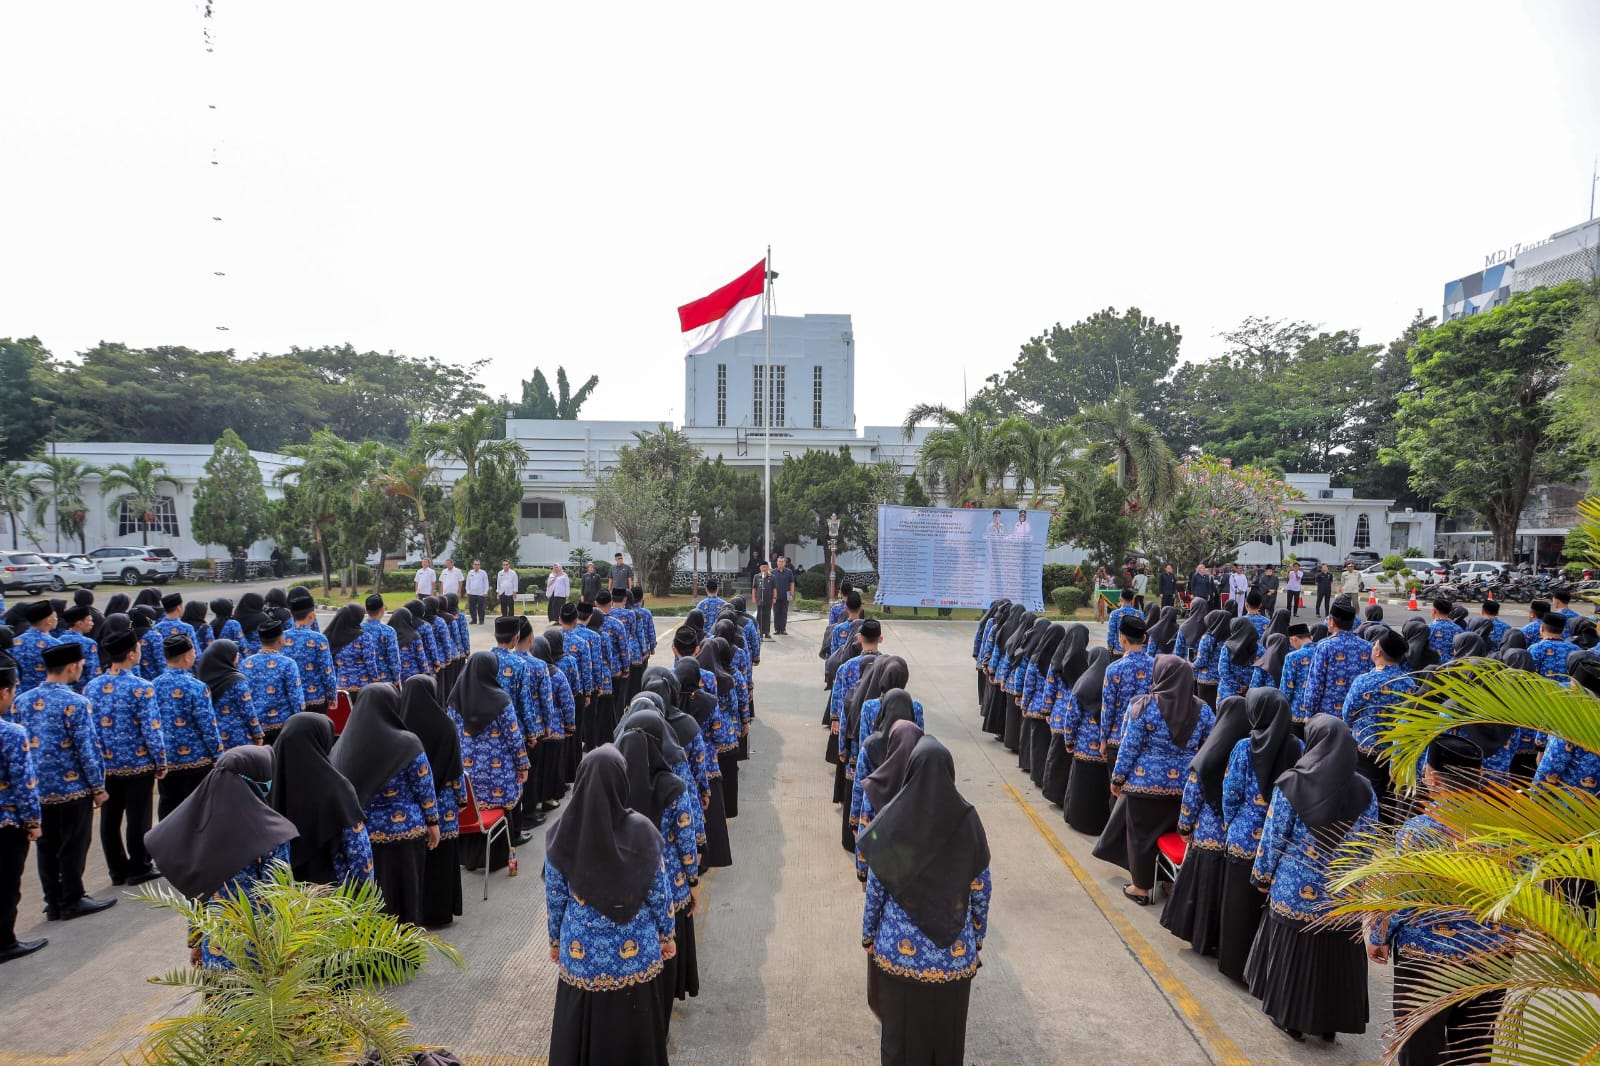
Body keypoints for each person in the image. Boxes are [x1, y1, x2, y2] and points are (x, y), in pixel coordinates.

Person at [1366, 734, 1507, 1066]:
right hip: (1490, 962)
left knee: (1419, 1050)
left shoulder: (1419, 832)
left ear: (1431, 776)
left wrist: (1377, 936)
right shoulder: (1504, 832)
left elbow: (1401, 896)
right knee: (1471, 1055)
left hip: (1427, 963)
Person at [858, 735, 990, 1065]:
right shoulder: (968, 821)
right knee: (946, 1041)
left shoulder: (892, 820)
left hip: (899, 956)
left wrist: (869, 936)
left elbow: (876, 888)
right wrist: (977, 936)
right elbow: (981, 890)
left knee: (900, 1040)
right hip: (955, 958)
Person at [1246, 714, 1378, 1043]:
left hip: (1295, 892)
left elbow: (1274, 837)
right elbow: (1370, 845)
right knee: (1334, 957)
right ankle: (1328, 1024)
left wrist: (1262, 876)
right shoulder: (1365, 791)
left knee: (1296, 954)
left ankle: (1290, 1018)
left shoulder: (1293, 783)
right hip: (1342, 897)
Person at [545, 746, 675, 1066]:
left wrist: (555, 942)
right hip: (635, 956)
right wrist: (667, 936)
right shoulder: (643, 832)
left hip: (581, 955)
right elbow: (660, 894)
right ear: (622, 782)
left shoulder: (563, 834)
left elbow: (555, 896)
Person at [144, 746, 297, 970]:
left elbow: (196, 893)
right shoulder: (272, 834)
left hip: (216, 948)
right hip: (261, 956)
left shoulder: (202, 832)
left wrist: (196, 940)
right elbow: (280, 897)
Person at [613, 703, 699, 1034]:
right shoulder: (673, 785)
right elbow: (686, 839)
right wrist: (692, 880)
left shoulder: (613, 785)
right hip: (671, 885)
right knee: (666, 953)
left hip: (626, 888)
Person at [1105, 655, 1214, 905]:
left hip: (1145, 783)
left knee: (1140, 836)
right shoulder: (1203, 710)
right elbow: (1209, 746)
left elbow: (1129, 746)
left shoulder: (1144, 706)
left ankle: (1141, 888)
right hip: (1185, 786)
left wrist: (1118, 777)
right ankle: (1168, 881)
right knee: (1173, 833)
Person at [19, 642, 115, 920]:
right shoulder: (76, 702)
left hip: (38, 788)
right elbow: (87, 748)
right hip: (72, 787)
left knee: (46, 846)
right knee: (74, 843)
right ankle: (73, 897)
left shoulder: (23, 700)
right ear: (72, 666)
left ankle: (53, 900)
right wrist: (98, 787)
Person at [330, 685, 437, 925]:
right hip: (407, 833)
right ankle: (406, 946)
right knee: (406, 893)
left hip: (366, 837)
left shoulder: (344, 744)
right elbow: (424, 786)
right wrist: (433, 821)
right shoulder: (408, 743)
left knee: (378, 895)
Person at [1161, 693, 1245, 951]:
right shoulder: (1250, 752)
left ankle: (1199, 937)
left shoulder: (1211, 752)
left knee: (1202, 890)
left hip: (1208, 834)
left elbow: (1193, 793)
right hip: (1235, 841)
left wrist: (1185, 826)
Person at [94, 629, 166, 885]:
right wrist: (160, 760)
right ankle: (139, 866)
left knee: (110, 818)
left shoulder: (93, 686)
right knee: (138, 816)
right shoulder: (141, 687)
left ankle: (117, 869)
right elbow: (151, 728)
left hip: (106, 764)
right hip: (137, 762)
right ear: (131, 654)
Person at [268, 713, 372, 886]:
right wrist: (366, 893)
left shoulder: (271, 784)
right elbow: (358, 850)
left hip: (286, 897)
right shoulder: (337, 789)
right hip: (332, 896)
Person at [449, 650, 529, 870]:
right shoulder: (501, 699)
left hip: (468, 771)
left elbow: (452, 733)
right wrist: (523, 765)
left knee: (473, 811)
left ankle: (470, 858)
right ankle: (496, 858)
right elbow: (513, 737)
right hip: (499, 773)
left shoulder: (456, 697)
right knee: (502, 808)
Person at [399, 675, 464, 926]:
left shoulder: (400, 726)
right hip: (444, 806)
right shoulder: (446, 726)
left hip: (413, 806)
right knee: (443, 857)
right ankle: (440, 912)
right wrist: (461, 801)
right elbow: (456, 772)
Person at [1341, 628, 1416, 816]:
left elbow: (1347, 713)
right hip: (1397, 752)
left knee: (1367, 795)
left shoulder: (1365, 681)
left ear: (1378, 652)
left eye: (1375, 645)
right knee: (1390, 798)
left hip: (1367, 750)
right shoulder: (1409, 683)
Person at [0, 665, 46, 962]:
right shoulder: (11, 733)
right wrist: (33, 822)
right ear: (3, 692)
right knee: (6, 884)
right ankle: (5, 941)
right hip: (7, 822)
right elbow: (24, 782)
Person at [153, 635, 222, 819]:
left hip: (167, 759)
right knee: (198, 809)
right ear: (186, 657)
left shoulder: (153, 685)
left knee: (168, 807)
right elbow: (207, 724)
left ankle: (166, 845)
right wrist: (217, 753)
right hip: (197, 759)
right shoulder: (197, 686)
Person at [1301, 601, 1372, 722]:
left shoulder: (1325, 646)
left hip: (1327, 717)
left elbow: (1315, 683)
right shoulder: (1368, 647)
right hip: (1358, 717)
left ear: (1332, 622)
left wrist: (1309, 711)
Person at [243, 619, 305, 742]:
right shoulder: (288, 664)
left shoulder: (246, 663)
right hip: (282, 726)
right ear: (281, 640)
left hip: (256, 727)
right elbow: (295, 697)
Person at [325, 603, 375, 692]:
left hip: (341, 686)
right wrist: (375, 679)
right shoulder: (364, 637)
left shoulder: (334, 636)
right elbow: (370, 661)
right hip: (363, 687)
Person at [13, 600, 60, 694]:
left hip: (17, 696)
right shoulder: (55, 645)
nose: (57, 619)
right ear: (48, 621)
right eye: (55, 617)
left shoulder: (14, 642)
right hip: (45, 697)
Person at [771, 556, 796, 635]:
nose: (781, 563)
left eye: (782, 561)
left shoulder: (789, 572)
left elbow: (792, 583)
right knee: (776, 612)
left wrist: (791, 595)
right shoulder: (773, 572)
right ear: (777, 562)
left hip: (786, 594)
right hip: (776, 596)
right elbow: (771, 585)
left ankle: (783, 629)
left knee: (784, 612)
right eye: (779, 561)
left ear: (785, 563)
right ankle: (777, 629)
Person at [463, 560, 489, 626]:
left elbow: (486, 583)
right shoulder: (470, 572)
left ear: (480, 565)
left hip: (481, 593)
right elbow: (468, 583)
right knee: (472, 608)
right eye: (475, 564)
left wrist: (486, 592)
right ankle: (474, 620)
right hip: (472, 593)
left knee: (481, 608)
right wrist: (467, 591)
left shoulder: (483, 573)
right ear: (473, 565)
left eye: (478, 564)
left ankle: (481, 620)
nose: (476, 566)